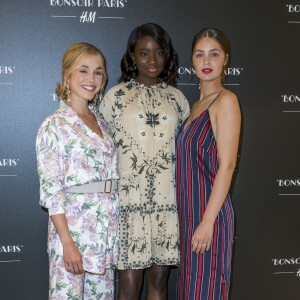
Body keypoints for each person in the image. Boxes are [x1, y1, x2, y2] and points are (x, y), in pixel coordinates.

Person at [99, 23, 190, 300]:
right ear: (132, 56)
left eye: (159, 53)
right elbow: (103, 152)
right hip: (129, 206)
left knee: (160, 284)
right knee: (128, 287)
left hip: (166, 205)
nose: (153, 61)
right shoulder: (114, 97)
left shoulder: (178, 100)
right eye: (144, 53)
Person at [36, 43, 119, 299]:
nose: (91, 79)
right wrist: (67, 244)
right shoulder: (54, 125)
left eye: (98, 72)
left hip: (103, 237)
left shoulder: (101, 123)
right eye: (83, 70)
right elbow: (52, 192)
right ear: (67, 75)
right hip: (73, 235)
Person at [176, 28, 241, 300]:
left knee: (206, 291)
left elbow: (227, 165)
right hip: (188, 216)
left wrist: (207, 221)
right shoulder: (194, 106)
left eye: (214, 55)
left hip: (208, 217)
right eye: (200, 55)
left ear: (225, 59)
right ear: (192, 60)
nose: (206, 62)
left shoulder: (226, 101)